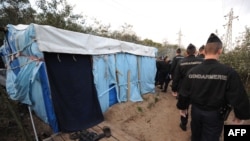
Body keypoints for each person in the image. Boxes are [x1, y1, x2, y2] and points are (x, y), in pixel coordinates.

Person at [177, 33, 250, 141]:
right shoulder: (229, 73)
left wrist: (182, 107)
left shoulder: (192, 72)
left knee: (196, 136)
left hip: (196, 112)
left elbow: (184, 92)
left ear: (205, 51)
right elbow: (238, 96)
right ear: (220, 50)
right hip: (214, 116)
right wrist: (240, 115)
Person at [171, 43, 204, 131]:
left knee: (184, 107)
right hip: (198, 90)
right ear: (195, 52)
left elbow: (176, 77)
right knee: (196, 108)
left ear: (186, 52)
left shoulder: (181, 62)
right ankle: (196, 126)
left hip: (184, 89)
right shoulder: (202, 62)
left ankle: (183, 124)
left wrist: (174, 89)